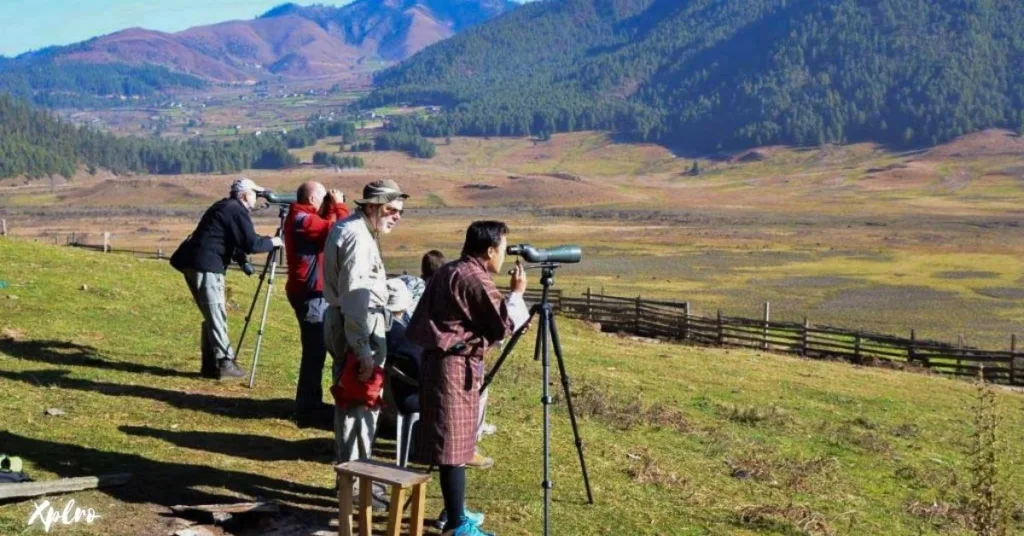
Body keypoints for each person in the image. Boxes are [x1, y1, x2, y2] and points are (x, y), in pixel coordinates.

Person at [407, 221, 529, 536]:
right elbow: (503, 328)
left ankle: (455, 510)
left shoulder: (450, 270)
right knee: (452, 446)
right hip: (452, 368)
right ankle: (458, 526)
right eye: (503, 249)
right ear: (489, 251)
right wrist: (516, 295)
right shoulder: (475, 278)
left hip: (441, 363)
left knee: (457, 442)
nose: (505, 256)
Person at [323, 178, 408, 505]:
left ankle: (359, 479)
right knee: (357, 407)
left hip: (355, 324)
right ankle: (356, 488)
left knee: (360, 408)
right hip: (359, 327)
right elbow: (357, 299)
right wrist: (363, 352)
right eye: (391, 209)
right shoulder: (358, 238)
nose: (397, 216)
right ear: (372, 207)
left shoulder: (356, 230)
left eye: (400, 210)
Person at [171, 177, 282, 379]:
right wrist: (273, 242)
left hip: (195, 263)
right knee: (216, 314)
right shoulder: (236, 210)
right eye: (255, 194)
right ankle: (224, 362)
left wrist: (242, 262)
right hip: (207, 266)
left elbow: (231, 239)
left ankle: (210, 364)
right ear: (245, 195)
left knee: (212, 314)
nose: (257, 198)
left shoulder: (224, 207)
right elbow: (251, 244)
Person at [284, 181, 350, 427]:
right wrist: (340, 205)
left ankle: (310, 401)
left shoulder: (305, 217)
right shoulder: (303, 220)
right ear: (313, 199)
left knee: (316, 349)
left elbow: (325, 232)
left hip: (311, 292)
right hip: (310, 294)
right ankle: (307, 406)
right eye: (324, 198)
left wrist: (331, 207)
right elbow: (338, 233)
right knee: (314, 351)